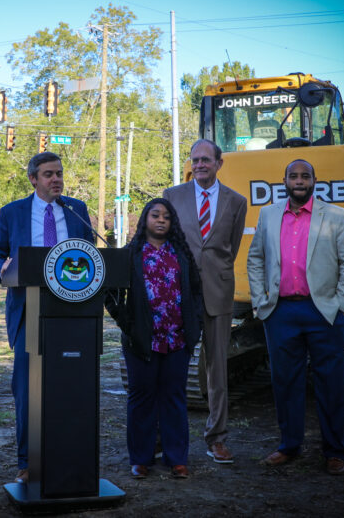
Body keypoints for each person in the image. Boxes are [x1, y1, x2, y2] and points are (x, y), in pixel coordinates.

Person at [0, 151, 94, 484]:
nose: (56, 179)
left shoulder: (77, 210)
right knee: (27, 389)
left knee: (70, 386)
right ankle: (26, 461)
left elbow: (89, 252)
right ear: (33, 179)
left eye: (59, 173)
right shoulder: (13, 212)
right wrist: (0, 267)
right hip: (27, 309)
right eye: (48, 174)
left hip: (72, 311)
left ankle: (70, 458)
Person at [246, 158, 344, 475]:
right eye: (293, 176)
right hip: (281, 312)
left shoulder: (335, 215)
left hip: (323, 311)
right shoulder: (269, 214)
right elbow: (255, 259)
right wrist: (260, 302)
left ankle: (336, 451)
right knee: (285, 384)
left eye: (304, 176)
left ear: (314, 181)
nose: (299, 180)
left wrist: (342, 305)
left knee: (331, 384)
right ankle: (289, 446)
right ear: (284, 181)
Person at [104, 198, 204, 479]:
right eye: (155, 215)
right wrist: (127, 324)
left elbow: (196, 291)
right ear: (145, 220)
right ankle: (141, 459)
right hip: (141, 341)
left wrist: (193, 326)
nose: (161, 220)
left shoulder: (181, 254)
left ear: (172, 224)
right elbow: (109, 293)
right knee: (141, 398)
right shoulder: (131, 253)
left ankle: (177, 459)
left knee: (174, 398)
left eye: (166, 217)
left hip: (178, 339)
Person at [163, 139, 247, 464]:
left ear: (218, 163)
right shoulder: (173, 196)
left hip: (218, 292)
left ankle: (217, 438)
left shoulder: (236, 202)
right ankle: (166, 437)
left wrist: (214, 272)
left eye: (206, 160)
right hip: (180, 294)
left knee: (217, 369)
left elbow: (231, 247)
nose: (199, 164)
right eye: (195, 159)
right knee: (171, 368)